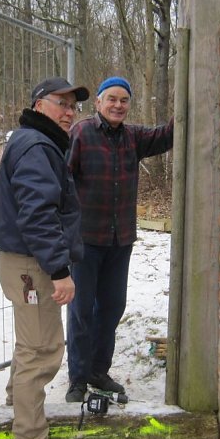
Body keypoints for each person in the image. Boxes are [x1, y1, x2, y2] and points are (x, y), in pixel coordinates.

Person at [0, 76, 88, 439]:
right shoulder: (36, 146)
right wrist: (59, 270)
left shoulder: (33, 141)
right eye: (60, 103)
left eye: (73, 106)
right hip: (33, 263)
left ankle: (18, 407)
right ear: (39, 105)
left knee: (30, 342)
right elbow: (38, 214)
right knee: (42, 349)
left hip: (26, 260)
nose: (68, 112)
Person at [65, 76, 174, 403]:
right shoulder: (81, 133)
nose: (117, 105)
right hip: (85, 240)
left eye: (123, 100)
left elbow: (167, 135)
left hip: (120, 240)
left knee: (111, 307)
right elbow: (63, 182)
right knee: (81, 310)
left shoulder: (133, 137)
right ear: (98, 102)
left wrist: (190, 99)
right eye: (111, 99)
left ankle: (99, 371)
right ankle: (78, 379)